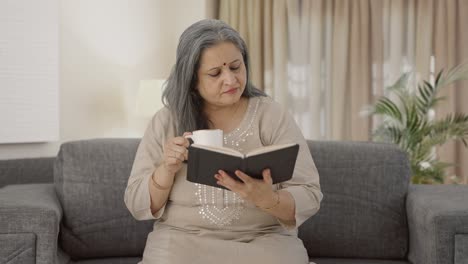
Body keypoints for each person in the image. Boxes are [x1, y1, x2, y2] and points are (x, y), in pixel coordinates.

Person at [124, 19, 322, 264]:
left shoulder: (272, 115)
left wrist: (268, 199)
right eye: (215, 73)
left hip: (263, 240)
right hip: (183, 242)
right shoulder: (166, 121)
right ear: (191, 79)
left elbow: (310, 194)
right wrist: (166, 170)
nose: (231, 80)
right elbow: (136, 203)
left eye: (236, 67)